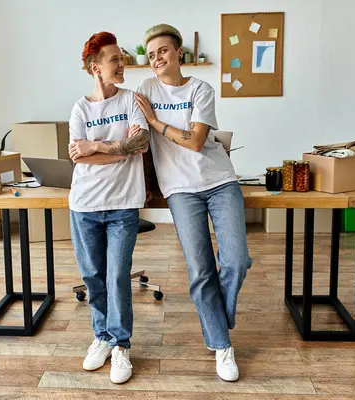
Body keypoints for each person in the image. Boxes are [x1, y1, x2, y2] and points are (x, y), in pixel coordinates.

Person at [135, 24, 252, 382]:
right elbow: (137, 135)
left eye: (163, 51)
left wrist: (156, 120)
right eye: (152, 54)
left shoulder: (201, 88)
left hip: (219, 180)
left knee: (237, 260)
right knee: (201, 269)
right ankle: (221, 344)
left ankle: (217, 315)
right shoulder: (145, 89)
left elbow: (198, 141)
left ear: (179, 55)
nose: (157, 59)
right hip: (180, 189)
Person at [67, 31, 150, 384]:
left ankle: (121, 346)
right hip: (84, 205)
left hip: (123, 205)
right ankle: (101, 337)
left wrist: (95, 147)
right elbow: (78, 158)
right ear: (94, 67)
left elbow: (141, 141)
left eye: (122, 58)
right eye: (114, 59)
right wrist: (114, 149)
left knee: (117, 277)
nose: (122, 64)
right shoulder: (80, 108)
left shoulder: (132, 99)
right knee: (93, 278)